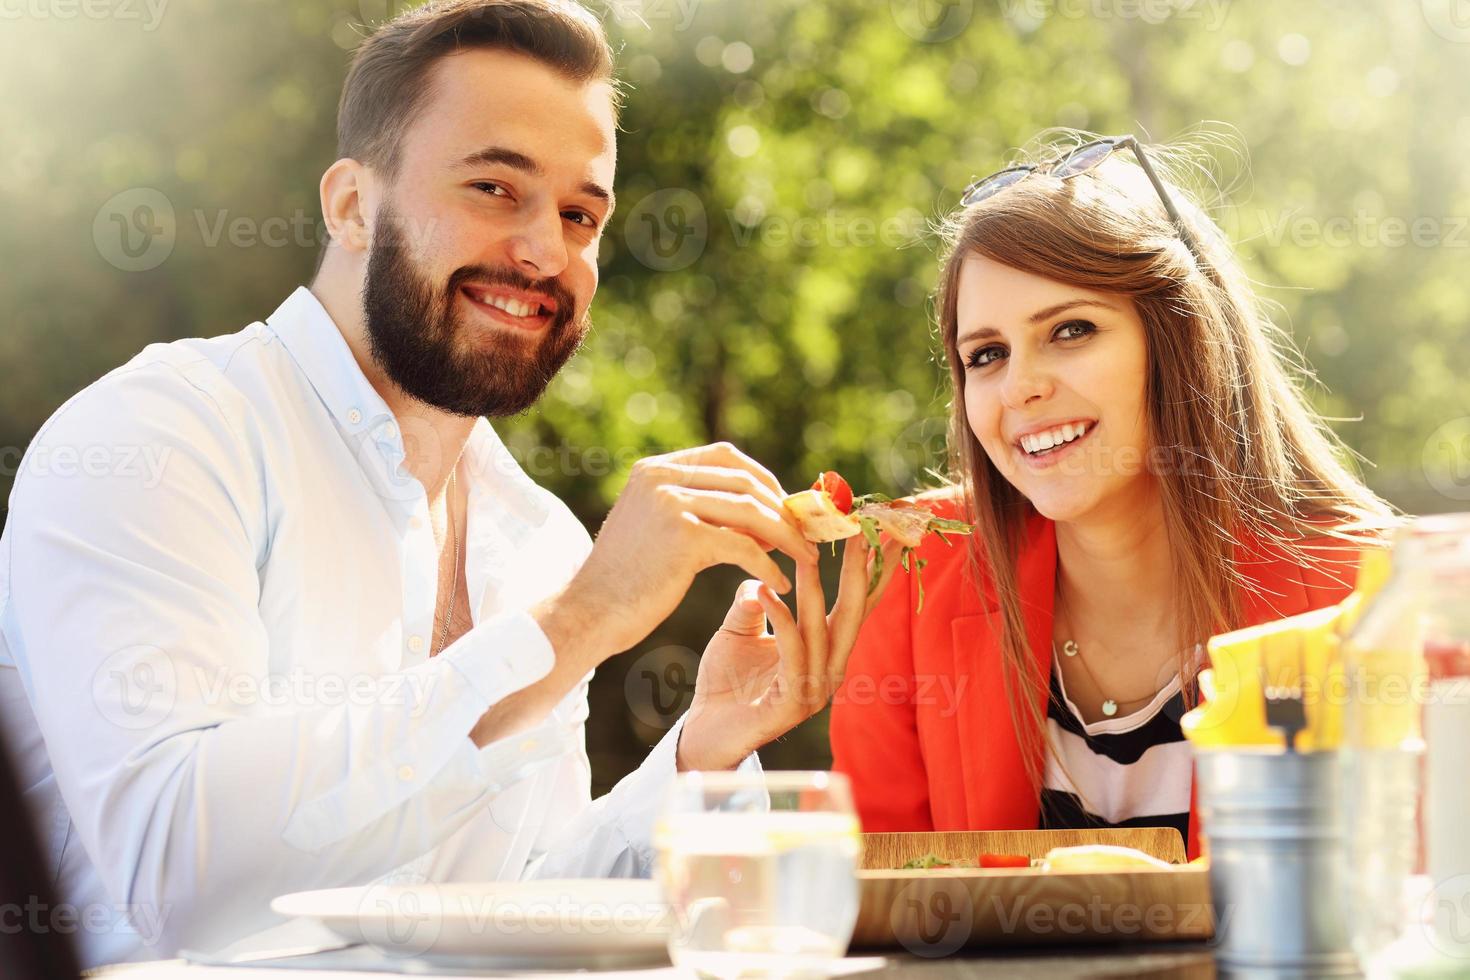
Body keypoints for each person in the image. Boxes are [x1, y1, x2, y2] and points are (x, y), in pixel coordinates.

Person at [0, 0, 896, 966]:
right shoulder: (162, 435)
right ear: (350, 205)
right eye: (493, 186)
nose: (546, 251)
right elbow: (178, 877)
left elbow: (503, 919)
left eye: (579, 213)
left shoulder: (537, 536)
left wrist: (698, 755)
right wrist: (578, 624)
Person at [830, 133, 1397, 860]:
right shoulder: (918, 572)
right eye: (987, 355)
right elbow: (881, 900)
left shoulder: (1362, 597)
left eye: (1071, 330)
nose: (1021, 387)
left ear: (1182, 340)